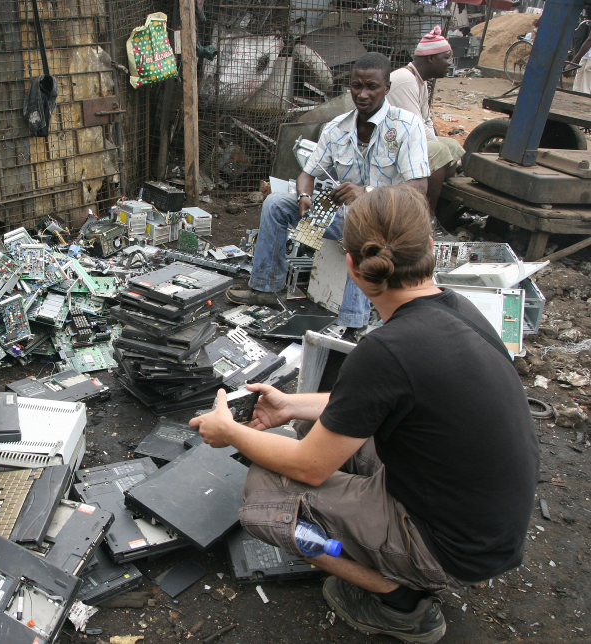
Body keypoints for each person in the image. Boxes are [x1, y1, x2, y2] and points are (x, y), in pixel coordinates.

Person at [193, 185, 539, 644]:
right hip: (488, 524)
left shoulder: (386, 350)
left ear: (352, 266)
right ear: (432, 249)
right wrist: (293, 404)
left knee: (264, 497)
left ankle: (398, 598)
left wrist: (231, 432)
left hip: (451, 548)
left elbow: (309, 468)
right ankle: (395, 557)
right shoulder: (458, 308)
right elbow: (375, 404)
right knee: (310, 424)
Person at [228, 52, 430, 340]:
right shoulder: (337, 128)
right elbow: (307, 173)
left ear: (387, 88)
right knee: (275, 203)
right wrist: (304, 195)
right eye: (356, 85)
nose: (362, 94)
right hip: (342, 218)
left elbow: (418, 187)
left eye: (371, 86)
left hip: (387, 223)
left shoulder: (407, 126)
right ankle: (266, 288)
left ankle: (352, 324)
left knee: (363, 228)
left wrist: (368, 193)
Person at [387, 26, 466, 214]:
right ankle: (426, 217)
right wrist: (439, 146)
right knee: (439, 152)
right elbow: (416, 128)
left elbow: (426, 121)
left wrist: (440, 143)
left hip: (405, 137)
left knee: (452, 147)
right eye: (446, 58)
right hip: (390, 139)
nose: (449, 64)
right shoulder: (406, 79)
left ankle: (443, 210)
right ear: (431, 58)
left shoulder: (420, 82)